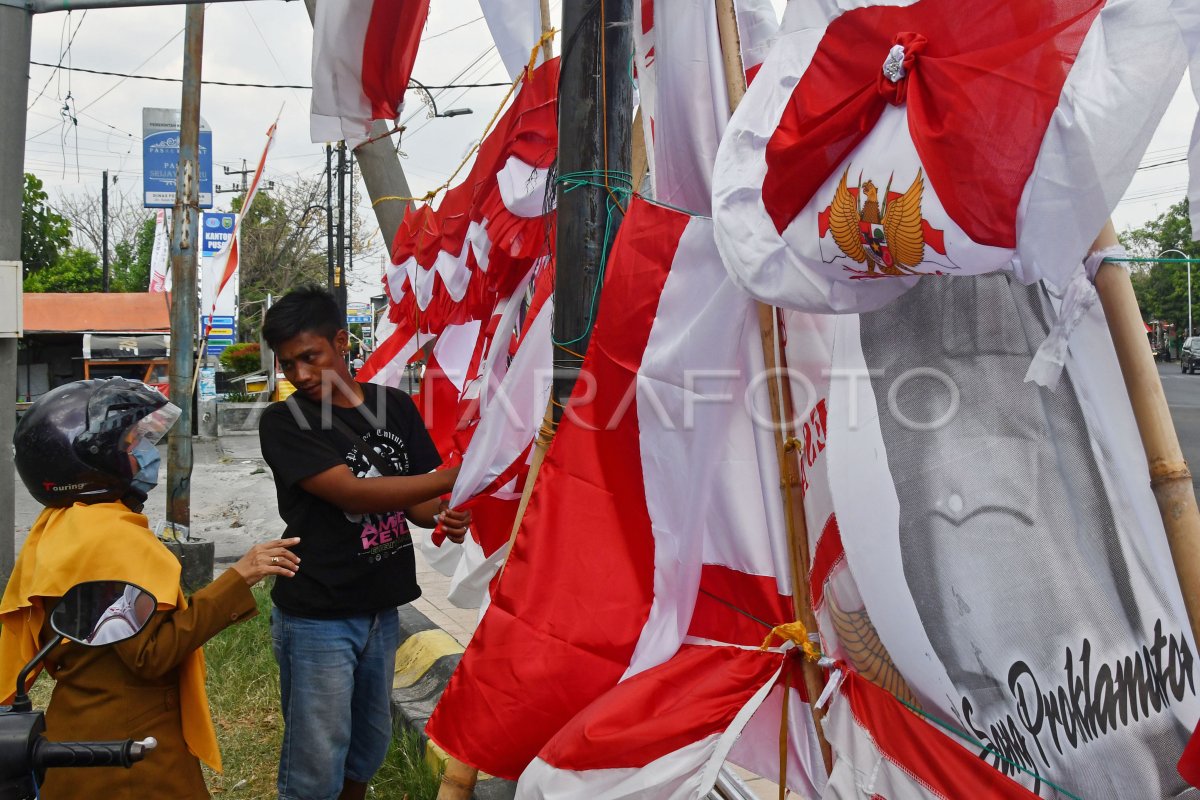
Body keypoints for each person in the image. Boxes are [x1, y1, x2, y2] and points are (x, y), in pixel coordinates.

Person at [0, 377, 301, 799]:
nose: (146, 452)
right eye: (132, 442)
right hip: (131, 749)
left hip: (77, 730)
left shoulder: (59, 526)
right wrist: (240, 576)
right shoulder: (111, 537)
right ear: (92, 460)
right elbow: (150, 653)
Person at [258, 286, 470, 800]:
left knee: (366, 746)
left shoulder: (393, 406)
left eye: (311, 357)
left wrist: (446, 514)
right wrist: (448, 480)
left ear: (340, 341)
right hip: (317, 613)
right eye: (289, 365)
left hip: (381, 607)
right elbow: (351, 491)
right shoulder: (285, 421)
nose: (302, 375)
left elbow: (416, 507)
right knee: (316, 755)